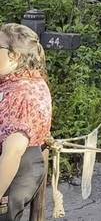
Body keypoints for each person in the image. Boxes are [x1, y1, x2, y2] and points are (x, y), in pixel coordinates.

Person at [0, 24, 53, 221]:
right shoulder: (13, 81)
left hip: (14, 169)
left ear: (15, 56)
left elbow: (13, 152)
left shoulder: (24, 93)